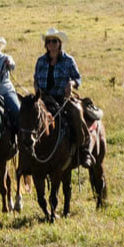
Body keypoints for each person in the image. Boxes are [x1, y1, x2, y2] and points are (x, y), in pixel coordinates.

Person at [33, 28, 93, 167]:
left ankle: (83, 149)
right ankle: (27, 151)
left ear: (60, 43)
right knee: (27, 115)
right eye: (49, 41)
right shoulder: (41, 61)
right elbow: (36, 78)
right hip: (44, 99)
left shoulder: (68, 60)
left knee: (77, 113)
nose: (52, 44)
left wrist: (71, 83)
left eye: (55, 41)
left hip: (62, 98)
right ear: (46, 44)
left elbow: (78, 78)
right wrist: (36, 89)